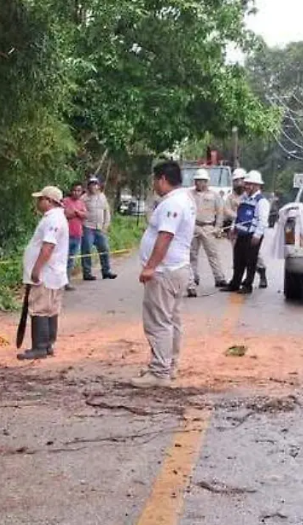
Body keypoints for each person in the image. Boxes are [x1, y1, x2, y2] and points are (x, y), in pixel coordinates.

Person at [132, 161, 196, 387]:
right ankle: (169, 365)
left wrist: (150, 266)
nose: (153, 185)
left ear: (162, 179)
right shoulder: (184, 199)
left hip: (165, 271)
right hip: (176, 268)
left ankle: (160, 371)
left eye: (154, 180)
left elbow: (165, 236)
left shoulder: (173, 203)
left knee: (158, 321)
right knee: (171, 320)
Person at [18, 186, 70, 360]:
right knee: (50, 310)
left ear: (49, 201)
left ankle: (39, 347)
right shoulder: (57, 218)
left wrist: (36, 269)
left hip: (46, 273)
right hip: (54, 273)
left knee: (39, 309)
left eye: (40, 199)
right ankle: (47, 345)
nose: (38, 202)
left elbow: (48, 247)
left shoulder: (53, 220)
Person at [222, 170, 270, 295]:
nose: (246, 186)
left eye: (249, 184)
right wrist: (233, 228)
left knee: (250, 260)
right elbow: (239, 215)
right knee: (238, 259)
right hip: (241, 233)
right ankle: (235, 283)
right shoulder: (244, 198)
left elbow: (262, 221)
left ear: (257, 185)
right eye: (246, 184)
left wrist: (257, 235)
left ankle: (247, 285)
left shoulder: (261, 201)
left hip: (252, 234)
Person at [187, 169, 227, 297]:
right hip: (194, 226)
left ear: (207, 181)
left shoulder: (214, 195)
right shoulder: (189, 194)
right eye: (198, 180)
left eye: (202, 181)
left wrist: (218, 226)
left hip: (208, 227)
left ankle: (219, 277)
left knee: (212, 253)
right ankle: (193, 277)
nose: (200, 183)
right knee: (192, 254)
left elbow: (220, 211)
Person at [81, 176, 117, 281]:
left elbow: (106, 211)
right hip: (88, 227)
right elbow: (80, 211)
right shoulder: (84, 198)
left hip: (100, 228)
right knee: (87, 249)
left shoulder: (102, 196)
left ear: (98, 186)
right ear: (88, 186)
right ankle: (87, 272)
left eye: (95, 184)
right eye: (91, 184)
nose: (93, 187)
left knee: (104, 249)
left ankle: (106, 271)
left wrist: (106, 225)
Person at [63, 183, 88, 291]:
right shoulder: (65, 201)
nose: (76, 193)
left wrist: (76, 212)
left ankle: (67, 282)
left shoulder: (81, 202)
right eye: (74, 190)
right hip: (66, 235)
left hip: (77, 235)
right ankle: (59, 283)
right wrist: (78, 213)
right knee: (63, 259)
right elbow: (65, 214)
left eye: (78, 191)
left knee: (71, 260)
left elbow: (85, 215)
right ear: (71, 191)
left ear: (81, 192)